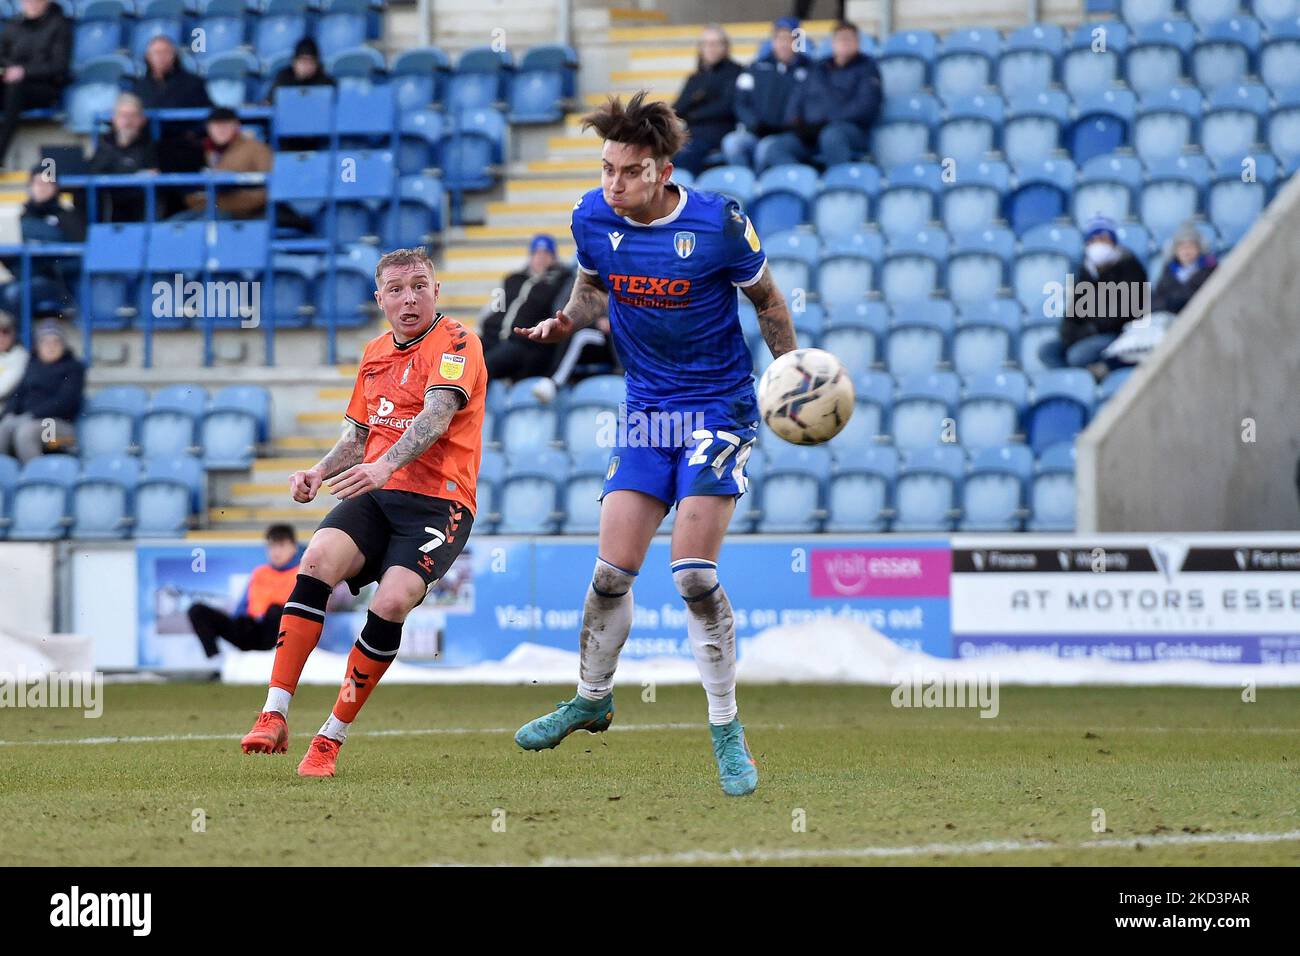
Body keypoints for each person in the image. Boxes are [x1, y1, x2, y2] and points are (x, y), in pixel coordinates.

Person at [512, 92, 796, 797]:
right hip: (646, 411)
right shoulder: (591, 217)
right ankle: (591, 697)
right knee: (611, 573)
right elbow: (589, 290)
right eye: (607, 168)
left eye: (629, 171)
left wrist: (788, 375)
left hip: (718, 408)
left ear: (663, 170)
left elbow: (769, 302)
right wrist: (565, 322)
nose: (613, 184)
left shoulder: (718, 222)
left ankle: (727, 731)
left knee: (693, 577)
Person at [239, 248, 486, 778]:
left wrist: (383, 465)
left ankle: (328, 740)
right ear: (380, 301)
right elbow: (357, 436)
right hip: (376, 492)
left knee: (393, 599)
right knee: (316, 560)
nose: (409, 297)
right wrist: (318, 471)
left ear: (436, 291)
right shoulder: (375, 352)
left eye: (419, 285)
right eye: (396, 289)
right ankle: (274, 713)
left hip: (440, 502)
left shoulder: (459, 343)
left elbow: (437, 416)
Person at [1039, 214, 1149, 371]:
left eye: (1103, 239)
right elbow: (1074, 312)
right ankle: (1083, 378)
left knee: (1077, 356)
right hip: (1087, 334)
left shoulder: (1130, 268)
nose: (1098, 245)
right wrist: (1069, 334)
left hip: (1117, 334)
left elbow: (1122, 312)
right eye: (1094, 240)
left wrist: (1090, 331)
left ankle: (1096, 374)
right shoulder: (1086, 271)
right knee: (1048, 351)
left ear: (1113, 242)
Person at [769, 20, 881, 169]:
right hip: (812, 132)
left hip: (850, 131)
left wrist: (828, 121)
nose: (844, 42)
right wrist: (796, 124)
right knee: (777, 146)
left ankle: (839, 186)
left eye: (849, 38)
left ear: (858, 43)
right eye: (840, 38)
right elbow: (797, 99)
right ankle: (802, 183)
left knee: (831, 136)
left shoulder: (868, 67)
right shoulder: (818, 68)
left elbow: (865, 107)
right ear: (833, 43)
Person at [188, 525, 302, 659]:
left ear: (294, 547)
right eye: (272, 546)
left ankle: (271, 657)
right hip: (251, 629)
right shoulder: (260, 572)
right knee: (197, 610)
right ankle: (215, 660)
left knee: (275, 610)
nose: (276, 552)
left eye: (281, 546)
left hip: (280, 632)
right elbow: (242, 607)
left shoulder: (301, 573)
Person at [479, 234, 574, 383]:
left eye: (546, 254)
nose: (541, 258)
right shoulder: (513, 279)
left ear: (554, 257)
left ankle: (474, 406)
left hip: (521, 341)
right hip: (492, 335)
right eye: (536, 253)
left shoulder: (559, 281)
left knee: (484, 366)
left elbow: (558, 310)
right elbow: (495, 306)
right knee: (462, 357)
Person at [723, 17, 811, 171]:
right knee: (732, 143)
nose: (783, 44)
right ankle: (745, 185)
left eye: (788, 39)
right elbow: (740, 102)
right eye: (779, 38)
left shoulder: (810, 69)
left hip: (792, 136)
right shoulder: (755, 68)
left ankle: (761, 188)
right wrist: (754, 124)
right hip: (757, 131)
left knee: (766, 147)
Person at [0, 164, 84, 319]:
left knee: (16, 294)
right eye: (37, 183)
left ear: (56, 187)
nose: (41, 188)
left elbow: (80, 257)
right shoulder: (20, 218)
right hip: (24, 278)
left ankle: (24, 339)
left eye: (47, 183)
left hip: (57, 283)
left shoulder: (68, 218)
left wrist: (49, 262)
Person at [0, 0, 71, 168]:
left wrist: (24, 71)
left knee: (16, 88)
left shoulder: (59, 25)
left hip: (43, 87)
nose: (31, 3)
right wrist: (9, 69)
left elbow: (59, 66)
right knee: (12, 87)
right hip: (11, 83)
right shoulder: (13, 24)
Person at [0, 319, 83, 461]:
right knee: (4, 427)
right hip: (27, 420)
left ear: (64, 345)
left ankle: (35, 478)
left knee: (26, 432)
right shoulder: (32, 365)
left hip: (59, 427)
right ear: (38, 346)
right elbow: (17, 395)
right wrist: (9, 415)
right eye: (45, 342)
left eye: (56, 342)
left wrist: (31, 415)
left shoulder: (74, 368)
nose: (51, 347)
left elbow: (65, 402)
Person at [133, 35, 212, 175]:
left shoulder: (193, 83)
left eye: (165, 52)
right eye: (156, 53)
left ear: (174, 55)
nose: (161, 57)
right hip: (149, 150)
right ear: (148, 56)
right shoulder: (139, 87)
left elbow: (208, 115)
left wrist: (192, 134)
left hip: (185, 151)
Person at [176, 107, 272, 220]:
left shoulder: (256, 149)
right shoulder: (201, 150)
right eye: (216, 125)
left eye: (226, 125)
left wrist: (229, 201)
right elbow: (191, 193)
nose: (221, 130)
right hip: (205, 209)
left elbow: (269, 189)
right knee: (174, 225)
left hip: (241, 214)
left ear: (237, 126)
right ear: (208, 128)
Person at [671, 25, 742, 176]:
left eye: (716, 43)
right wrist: (695, 100)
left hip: (719, 132)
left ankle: (685, 195)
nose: (711, 48)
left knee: (686, 155)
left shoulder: (736, 72)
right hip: (691, 133)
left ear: (725, 46)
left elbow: (727, 107)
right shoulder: (695, 78)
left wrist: (694, 110)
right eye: (706, 44)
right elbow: (677, 108)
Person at [87, 92, 160, 222]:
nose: (127, 121)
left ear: (142, 119)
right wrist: (133, 174)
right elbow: (94, 172)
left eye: (133, 116)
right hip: (108, 207)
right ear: (113, 118)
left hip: (139, 209)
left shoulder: (151, 147)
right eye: (123, 115)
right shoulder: (104, 144)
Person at [1151, 221, 1217, 316]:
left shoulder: (1209, 268)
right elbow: (1157, 300)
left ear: (1199, 248)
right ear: (1175, 250)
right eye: (1182, 247)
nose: (1186, 251)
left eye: (1191, 246)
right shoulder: (1169, 270)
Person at [265, 37, 334, 101]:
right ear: (294, 63)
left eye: (311, 62)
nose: (307, 66)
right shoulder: (283, 78)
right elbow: (268, 104)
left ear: (317, 64)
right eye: (303, 61)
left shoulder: (326, 83)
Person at [0, 312, 28, 406]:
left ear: (14, 333)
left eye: (5, 331)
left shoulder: (20, 357)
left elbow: (2, 389)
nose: (1, 337)